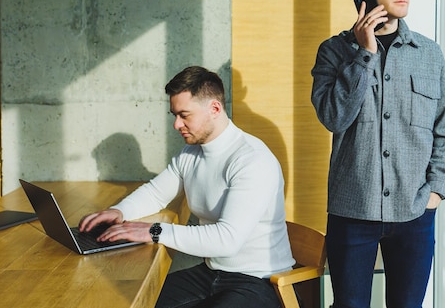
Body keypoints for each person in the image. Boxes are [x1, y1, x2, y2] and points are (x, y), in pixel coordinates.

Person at [310, 0, 445, 307]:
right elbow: (333, 116)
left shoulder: (429, 53)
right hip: (352, 212)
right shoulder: (333, 52)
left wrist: (436, 192)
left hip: (414, 212)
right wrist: (364, 55)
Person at [80, 65, 294, 308]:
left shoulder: (251, 160)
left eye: (184, 115)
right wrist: (119, 212)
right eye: (175, 115)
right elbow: (156, 193)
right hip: (212, 272)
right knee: (133, 301)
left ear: (214, 108)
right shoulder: (190, 153)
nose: (176, 125)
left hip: (258, 280)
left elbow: (227, 240)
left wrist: (154, 231)